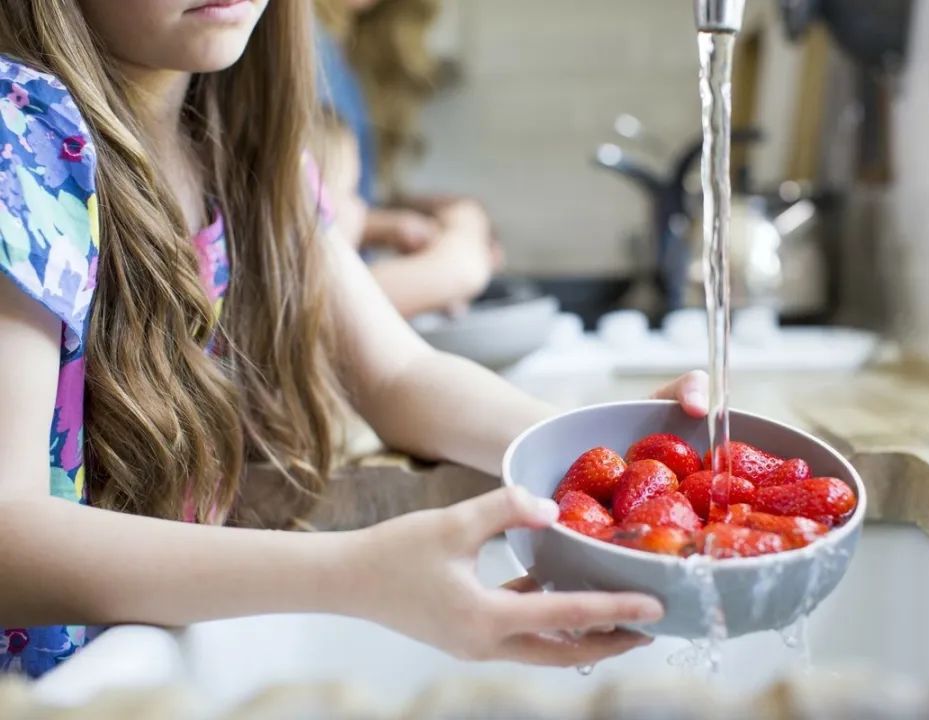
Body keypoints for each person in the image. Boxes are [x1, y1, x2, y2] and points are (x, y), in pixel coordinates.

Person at [0, 0, 709, 677]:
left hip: (134, 667)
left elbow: (398, 377)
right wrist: (358, 573)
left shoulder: (245, 146)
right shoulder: (18, 140)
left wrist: (605, 453)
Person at [315, 0, 503, 318]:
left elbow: (332, 203)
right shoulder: (300, 47)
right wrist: (455, 267)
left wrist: (421, 217)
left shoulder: (342, 48)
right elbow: (301, 223)